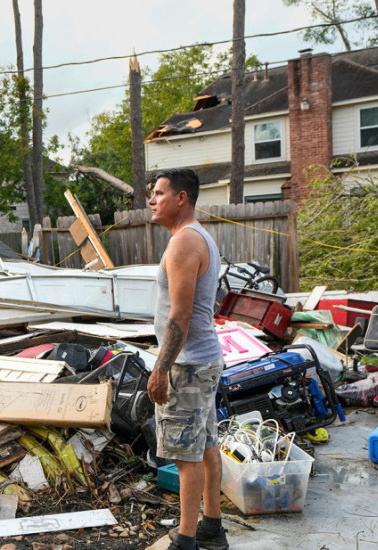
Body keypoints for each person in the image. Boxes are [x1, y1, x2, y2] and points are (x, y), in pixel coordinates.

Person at [146, 168, 228, 550]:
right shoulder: (199, 237)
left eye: (159, 193)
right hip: (203, 361)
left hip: (188, 366)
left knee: (185, 457)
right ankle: (212, 527)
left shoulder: (183, 244)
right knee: (207, 446)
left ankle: (187, 540)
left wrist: (161, 368)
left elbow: (179, 315)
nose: (151, 200)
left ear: (181, 198)